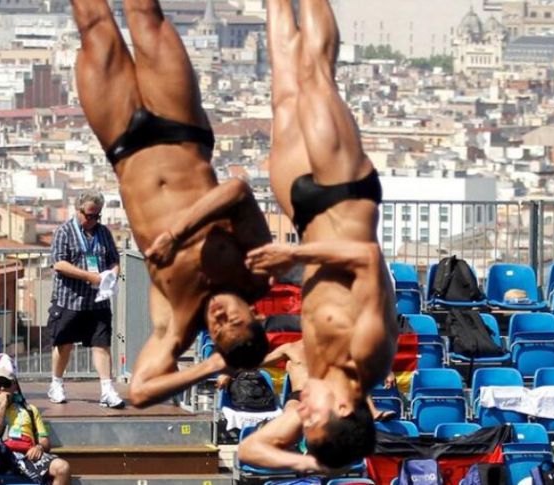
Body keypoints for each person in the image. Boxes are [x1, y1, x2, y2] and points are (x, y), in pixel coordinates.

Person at [70, 0, 274, 407]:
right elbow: (238, 192)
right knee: (144, 13)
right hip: (182, 129)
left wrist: (212, 366)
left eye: (217, 328)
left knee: (93, 24)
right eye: (232, 318)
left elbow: (141, 392)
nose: (218, 315)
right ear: (256, 315)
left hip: (123, 142)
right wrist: (177, 233)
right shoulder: (255, 275)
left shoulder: (178, 319)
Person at [243, 0, 398, 469]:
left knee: (284, 90)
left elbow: (252, 450)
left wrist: (314, 463)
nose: (300, 410)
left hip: (303, 209)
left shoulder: (320, 378)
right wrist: (291, 252)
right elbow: (367, 258)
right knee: (314, 75)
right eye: (313, 419)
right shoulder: (368, 356)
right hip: (344, 193)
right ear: (346, 407)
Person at [236, 342, 397, 471]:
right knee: (291, 412)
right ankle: (297, 449)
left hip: (324, 397)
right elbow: (258, 362)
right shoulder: (290, 348)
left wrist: (386, 371)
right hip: (299, 396)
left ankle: (372, 412)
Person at [47, 189, 124, 408]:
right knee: (64, 344)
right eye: (88, 215)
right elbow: (59, 263)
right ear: (78, 210)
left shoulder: (104, 233)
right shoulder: (64, 232)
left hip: (98, 300)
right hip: (69, 299)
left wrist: (112, 275)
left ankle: (107, 389)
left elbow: (113, 260)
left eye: (96, 216)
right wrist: (89, 276)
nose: (92, 220)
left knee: (101, 344)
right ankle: (57, 384)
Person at [0, 368, 71, 485]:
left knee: (63, 468)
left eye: (6, 384)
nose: (2, 388)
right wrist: (3, 404)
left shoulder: (30, 409)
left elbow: (45, 440)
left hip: (27, 454)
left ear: (14, 386)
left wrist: (39, 447)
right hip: (1, 453)